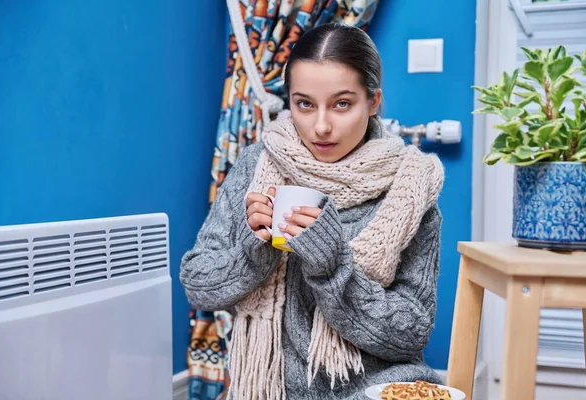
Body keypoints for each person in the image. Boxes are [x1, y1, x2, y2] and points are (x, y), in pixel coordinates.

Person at [180, 23, 444, 400]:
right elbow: (198, 285)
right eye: (304, 104)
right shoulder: (258, 165)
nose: (321, 126)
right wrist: (253, 254)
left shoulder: (410, 187)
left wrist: (334, 267)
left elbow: (410, 333)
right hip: (271, 385)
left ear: (373, 102)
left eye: (342, 104)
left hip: (369, 386)